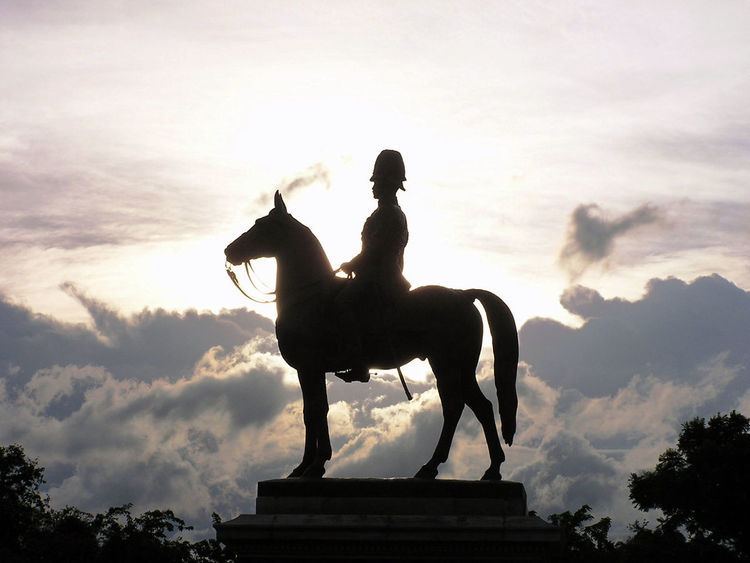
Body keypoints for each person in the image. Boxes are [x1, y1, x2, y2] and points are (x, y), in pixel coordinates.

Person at [334, 149, 411, 382]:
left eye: (377, 181)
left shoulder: (390, 214)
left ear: (389, 184)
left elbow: (377, 250)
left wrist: (353, 263)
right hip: (373, 276)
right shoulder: (382, 213)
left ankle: (359, 365)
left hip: (383, 279)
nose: (373, 185)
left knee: (342, 303)